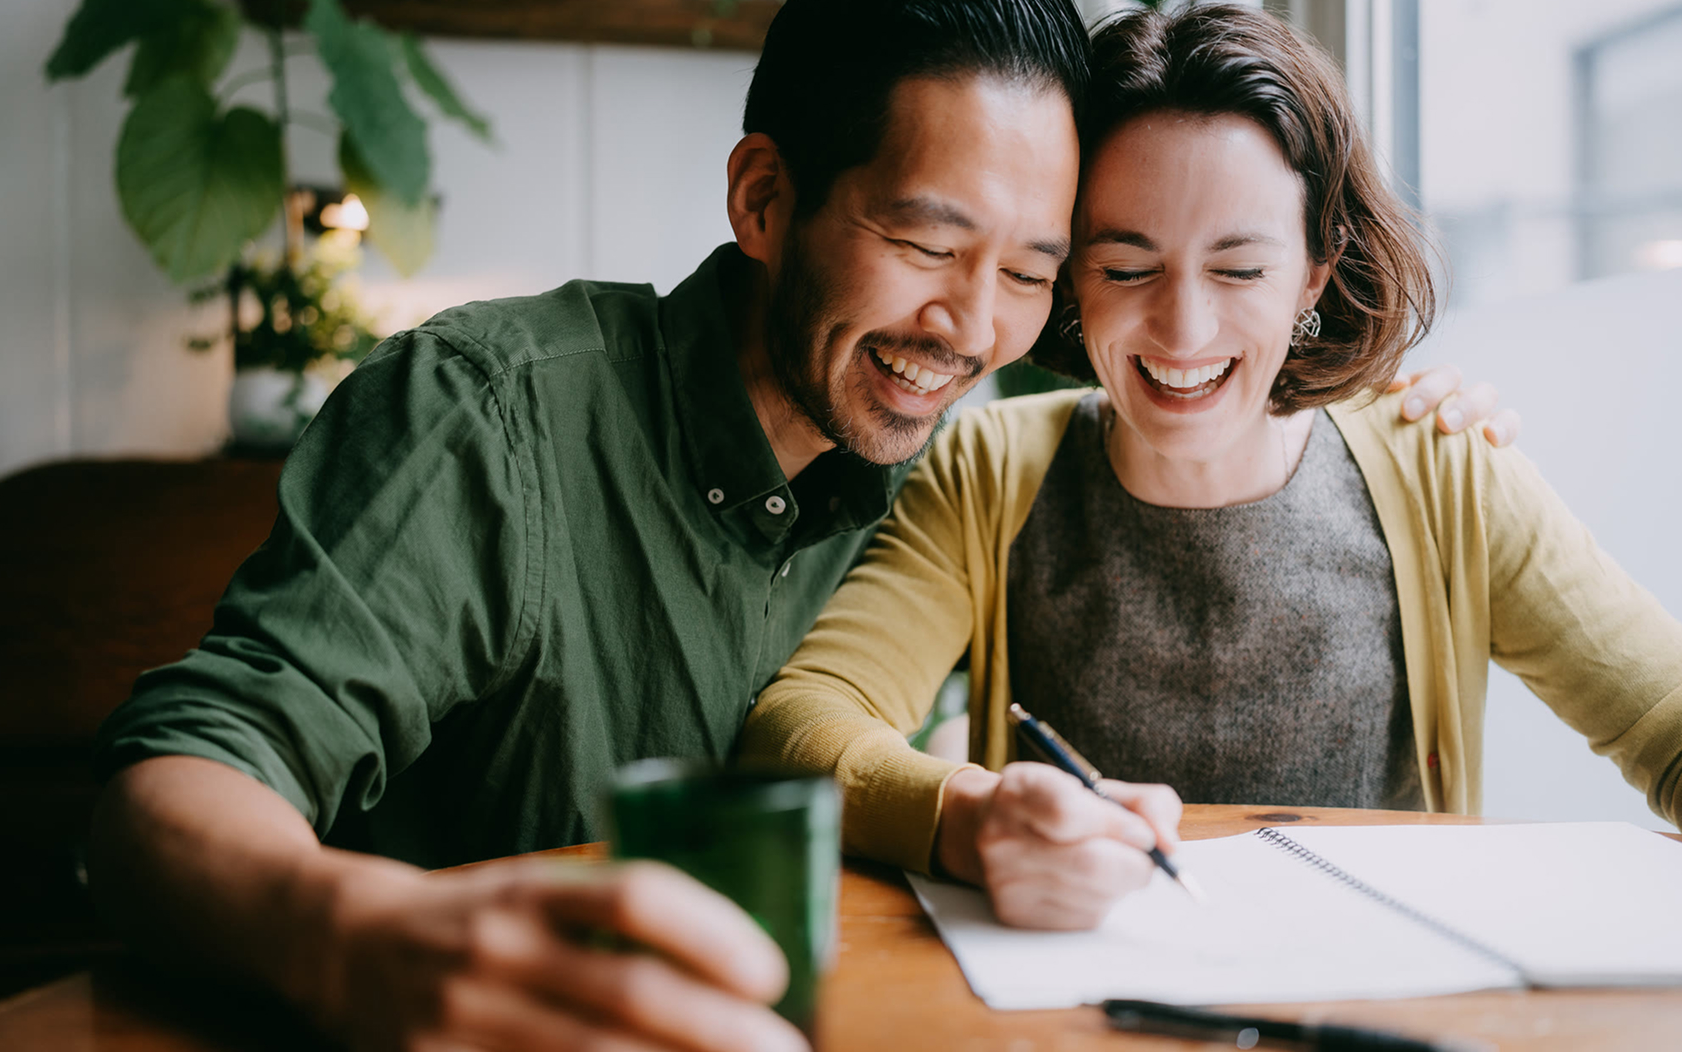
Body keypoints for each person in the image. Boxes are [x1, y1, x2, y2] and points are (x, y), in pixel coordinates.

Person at [89, 2, 1507, 1049]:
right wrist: (357, 938)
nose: (971, 327)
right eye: (922, 244)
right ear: (763, 197)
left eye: (1028, 270)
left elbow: (1208, 380)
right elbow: (180, 781)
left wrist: (1398, 421)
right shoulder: (491, 412)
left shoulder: (970, 457)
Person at [740, 2, 1682, 934]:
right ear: (1070, 278)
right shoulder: (989, 469)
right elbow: (804, 723)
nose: (1182, 330)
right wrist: (968, 816)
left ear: (1314, 269)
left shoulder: (1442, 467)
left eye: (1237, 269)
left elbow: (1664, 720)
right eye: (1125, 267)